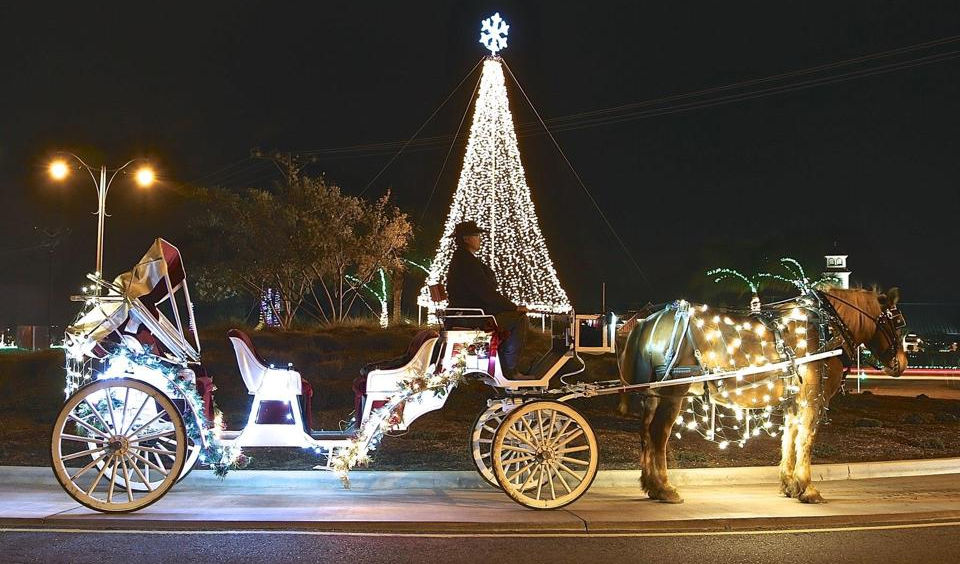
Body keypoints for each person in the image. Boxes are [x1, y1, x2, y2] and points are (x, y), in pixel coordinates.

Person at [445, 220, 531, 379]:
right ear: (466, 239)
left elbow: (483, 292)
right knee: (519, 319)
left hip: (465, 313)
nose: (480, 239)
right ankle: (510, 369)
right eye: (476, 235)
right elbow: (485, 292)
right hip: (471, 317)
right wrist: (513, 307)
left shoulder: (462, 258)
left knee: (509, 318)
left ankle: (504, 365)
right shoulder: (466, 261)